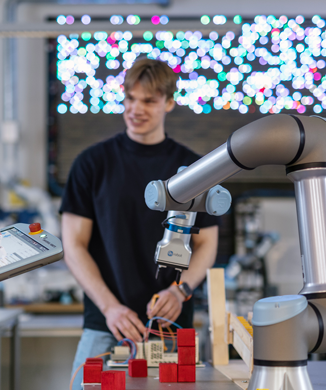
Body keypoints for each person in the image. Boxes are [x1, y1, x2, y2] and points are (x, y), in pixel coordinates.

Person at [60, 59, 219, 386]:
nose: (136, 109)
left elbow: (206, 245)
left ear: (169, 103)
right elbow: (73, 245)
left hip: (170, 326)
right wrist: (110, 308)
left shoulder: (193, 169)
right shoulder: (92, 164)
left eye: (148, 100)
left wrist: (179, 291)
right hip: (106, 323)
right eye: (130, 98)